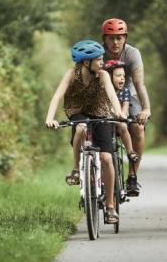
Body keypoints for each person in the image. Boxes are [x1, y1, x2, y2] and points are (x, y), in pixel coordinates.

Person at [46, 40, 127, 224]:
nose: (102, 63)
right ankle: (76, 169)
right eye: (98, 60)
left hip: (101, 112)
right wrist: (50, 118)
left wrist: (119, 113)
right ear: (85, 63)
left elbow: (112, 96)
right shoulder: (71, 75)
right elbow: (57, 96)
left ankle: (110, 206)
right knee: (81, 127)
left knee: (107, 158)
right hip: (78, 111)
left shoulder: (104, 75)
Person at [101, 18, 151, 196]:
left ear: (125, 38)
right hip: (104, 94)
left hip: (128, 94)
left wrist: (146, 108)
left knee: (137, 127)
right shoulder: (99, 54)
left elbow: (139, 83)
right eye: (111, 38)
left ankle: (132, 176)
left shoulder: (132, 54)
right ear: (104, 39)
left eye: (119, 38)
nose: (115, 42)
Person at [103, 60, 141, 178]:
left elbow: (125, 109)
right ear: (109, 77)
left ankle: (130, 152)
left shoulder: (124, 91)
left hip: (119, 121)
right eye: (118, 76)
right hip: (106, 121)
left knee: (123, 126)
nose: (122, 79)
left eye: (124, 76)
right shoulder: (103, 91)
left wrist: (122, 115)